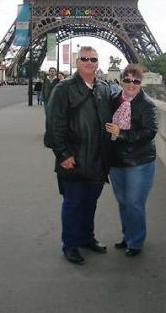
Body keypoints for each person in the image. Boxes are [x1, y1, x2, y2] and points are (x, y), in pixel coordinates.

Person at [45, 46, 112, 265]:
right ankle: (71, 245)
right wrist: (63, 154)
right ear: (77, 61)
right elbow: (54, 124)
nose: (89, 62)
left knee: (90, 203)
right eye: (84, 58)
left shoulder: (103, 88)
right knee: (73, 204)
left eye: (93, 59)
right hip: (73, 157)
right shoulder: (63, 88)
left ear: (98, 62)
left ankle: (86, 238)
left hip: (97, 158)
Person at [105, 64, 158, 257]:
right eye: (127, 80)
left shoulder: (147, 104)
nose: (131, 84)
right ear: (121, 81)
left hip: (139, 161)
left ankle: (135, 241)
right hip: (117, 160)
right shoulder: (113, 100)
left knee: (135, 202)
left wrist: (121, 134)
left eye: (135, 81)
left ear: (140, 82)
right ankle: (128, 235)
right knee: (123, 202)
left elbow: (149, 132)